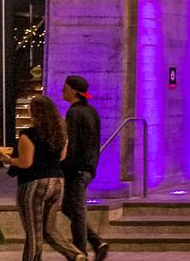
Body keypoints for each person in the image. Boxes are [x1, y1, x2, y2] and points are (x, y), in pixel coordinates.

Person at [2, 93, 82, 261]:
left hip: (34, 184)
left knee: (33, 234)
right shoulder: (61, 133)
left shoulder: (28, 135)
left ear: (34, 112)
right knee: (49, 229)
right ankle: (76, 255)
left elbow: (25, 163)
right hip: (57, 182)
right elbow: (62, 156)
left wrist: (9, 160)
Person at [61, 75, 109, 261]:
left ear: (73, 90)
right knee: (68, 206)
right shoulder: (91, 111)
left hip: (77, 168)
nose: (62, 91)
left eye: (65, 87)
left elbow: (73, 144)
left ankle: (80, 252)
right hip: (88, 167)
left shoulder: (74, 113)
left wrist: (65, 166)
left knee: (77, 209)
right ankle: (96, 242)